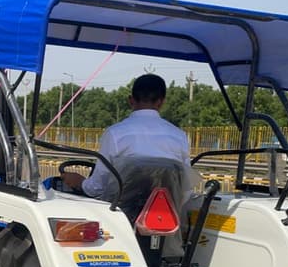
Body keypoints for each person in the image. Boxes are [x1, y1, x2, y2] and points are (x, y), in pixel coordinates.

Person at [61, 73, 192, 199]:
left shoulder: (114, 134)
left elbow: (97, 187)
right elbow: (185, 187)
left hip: (121, 218)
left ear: (131, 100)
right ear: (161, 102)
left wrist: (80, 182)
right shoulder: (179, 136)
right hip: (168, 217)